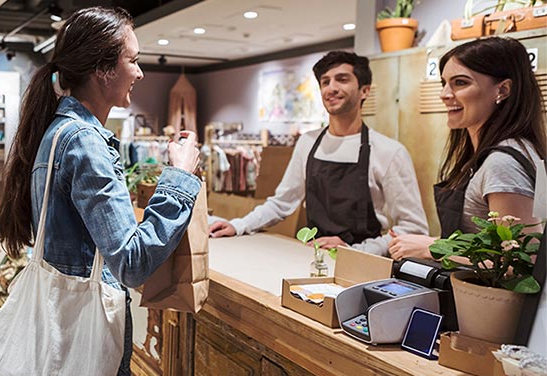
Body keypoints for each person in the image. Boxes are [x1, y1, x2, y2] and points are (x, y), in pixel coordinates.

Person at [0, 7, 201, 376]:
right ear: (104, 69)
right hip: (87, 356)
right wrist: (179, 176)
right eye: (133, 61)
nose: (139, 74)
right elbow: (130, 261)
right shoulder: (85, 142)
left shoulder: (57, 133)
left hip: (63, 345)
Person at [209, 51, 428, 256]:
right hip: (312, 258)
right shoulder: (308, 142)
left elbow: (413, 229)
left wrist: (355, 251)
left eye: (342, 79)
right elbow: (282, 203)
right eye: (325, 82)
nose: (331, 88)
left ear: (365, 90)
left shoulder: (389, 151)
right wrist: (239, 225)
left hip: (363, 265)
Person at [389, 37, 546, 261]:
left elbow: (522, 264)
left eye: (460, 83)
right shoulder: (505, 151)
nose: (444, 94)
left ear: (502, 90)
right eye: (444, 83)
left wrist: (435, 247)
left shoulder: (503, 163)